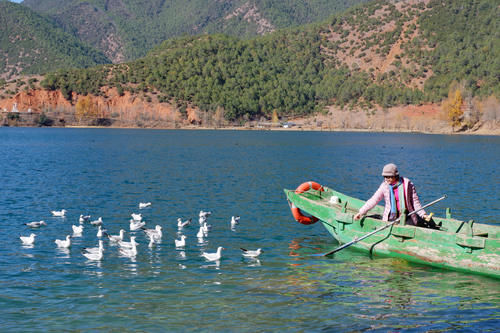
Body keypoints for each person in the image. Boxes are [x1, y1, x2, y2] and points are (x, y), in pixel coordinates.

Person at [354, 163, 430, 226]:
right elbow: (374, 200)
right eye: (385, 177)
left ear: (395, 175)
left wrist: (423, 214)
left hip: (407, 215)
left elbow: (415, 202)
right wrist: (361, 212)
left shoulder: (407, 184)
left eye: (389, 177)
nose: (387, 179)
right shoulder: (384, 185)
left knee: (410, 227)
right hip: (392, 216)